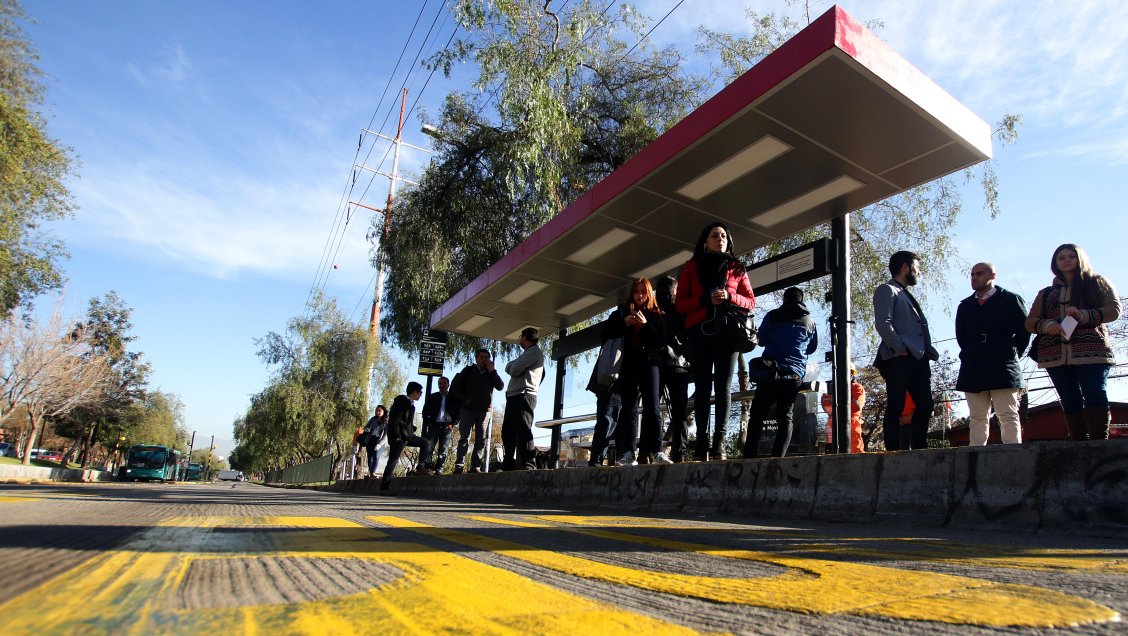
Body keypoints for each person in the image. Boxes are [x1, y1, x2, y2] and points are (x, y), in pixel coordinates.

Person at [675, 222, 756, 461]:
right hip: (699, 334)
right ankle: (701, 445)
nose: (720, 239)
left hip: (728, 334)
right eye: (714, 235)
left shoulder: (736, 268)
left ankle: (719, 445)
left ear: (728, 241)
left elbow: (751, 301)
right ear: (705, 241)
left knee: (723, 388)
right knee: (702, 389)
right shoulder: (691, 267)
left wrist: (730, 296)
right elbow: (680, 304)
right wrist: (704, 300)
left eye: (723, 236)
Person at [1025, 243, 1121, 440]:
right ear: (1055, 263)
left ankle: (1099, 440)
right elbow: (1030, 322)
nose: (1066, 260)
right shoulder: (1046, 293)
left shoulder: (1097, 282)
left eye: (1071, 256)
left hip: (1092, 350)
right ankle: (1078, 441)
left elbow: (1114, 310)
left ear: (1080, 258)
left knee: (1094, 391)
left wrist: (1083, 315)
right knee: (1069, 397)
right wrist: (1046, 325)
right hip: (1054, 354)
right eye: (1061, 257)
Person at [955, 262, 1030, 446]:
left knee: (1007, 414)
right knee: (977, 416)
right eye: (972, 274)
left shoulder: (1011, 299)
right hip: (973, 366)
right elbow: (962, 337)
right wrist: (972, 353)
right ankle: (975, 455)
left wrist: (1010, 354)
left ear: (992, 276)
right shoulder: (965, 306)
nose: (974, 277)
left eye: (979, 273)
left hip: (1003, 365)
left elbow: (1024, 332)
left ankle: (1013, 454)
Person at [873, 250, 937, 451]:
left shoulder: (905, 293)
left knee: (925, 404)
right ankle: (892, 451)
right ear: (905, 267)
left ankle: (919, 448)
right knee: (896, 405)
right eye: (916, 268)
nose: (918, 272)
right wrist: (899, 348)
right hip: (898, 358)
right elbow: (883, 323)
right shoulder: (887, 290)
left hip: (918, 358)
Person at [743, 287, 817, 458]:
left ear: (785, 299)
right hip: (794, 375)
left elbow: (760, 340)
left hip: (771, 373)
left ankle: (749, 456)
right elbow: (812, 348)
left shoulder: (773, 316)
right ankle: (778, 458)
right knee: (785, 417)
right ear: (801, 300)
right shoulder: (810, 321)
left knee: (757, 414)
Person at [604, 278, 671, 466]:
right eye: (636, 291)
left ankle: (657, 451)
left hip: (650, 364)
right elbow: (605, 336)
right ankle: (628, 453)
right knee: (629, 408)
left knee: (652, 407)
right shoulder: (621, 313)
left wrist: (645, 325)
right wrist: (624, 323)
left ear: (649, 294)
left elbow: (661, 343)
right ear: (631, 294)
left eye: (643, 291)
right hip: (628, 364)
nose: (640, 295)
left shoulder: (657, 314)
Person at [450, 348, 505, 473]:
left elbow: (500, 386)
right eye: (481, 357)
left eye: (486, 357)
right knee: (464, 438)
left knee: (481, 440)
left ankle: (475, 466)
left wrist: (492, 371)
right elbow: (455, 387)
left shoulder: (491, 373)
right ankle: (459, 465)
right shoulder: (468, 370)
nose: (484, 359)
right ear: (476, 358)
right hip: (467, 410)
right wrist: (466, 399)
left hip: (484, 412)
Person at [655, 276, 691, 462]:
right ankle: (680, 452)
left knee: (653, 409)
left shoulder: (655, 313)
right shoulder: (683, 310)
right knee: (679, 411)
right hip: (680, 365)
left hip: (659, 364)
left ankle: (652, 450)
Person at [502, 327, 545, 470]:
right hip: (513, 396)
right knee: (507, 431)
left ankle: (529, 465)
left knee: (523, 430)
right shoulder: (526, 354)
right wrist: (516, 366)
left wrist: (515, 366)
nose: (520, 339)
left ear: (525, 337)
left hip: (524, 395)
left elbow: (513, 370)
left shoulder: (534, 352)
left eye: (521, 336)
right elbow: (509, 366)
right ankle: (508, 464)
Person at [380, 383, 433, 490]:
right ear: (415, 392)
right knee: (393, 461)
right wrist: (397, 436)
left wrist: (411, 428)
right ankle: (384, 487)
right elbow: (394, 419)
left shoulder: (410, 404)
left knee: (426, 443)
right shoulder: (402, 401)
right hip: (399, 437)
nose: (421, 394)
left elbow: (404, 421)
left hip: (407, 435)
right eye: (420, 392)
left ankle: (420, 467)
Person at [585, 317, 623, 467]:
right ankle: (597, 459)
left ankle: (598, 458)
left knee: (607, 422)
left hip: (609, 383)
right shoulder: (618, 321)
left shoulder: (614, 329)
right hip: (610, 385)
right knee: (607, 422)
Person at [820, 363, 866, 453]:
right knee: (832, 450)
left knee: (854, 449)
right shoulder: (829, 389)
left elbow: (857, 406)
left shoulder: (857, 387)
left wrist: (837, 405)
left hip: (851, 422)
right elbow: (826, 407)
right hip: (833, 423)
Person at [421, 376, 460, 474]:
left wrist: (453, 423)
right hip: (434, 426)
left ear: (448, 385)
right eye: (440, 383)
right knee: (429, 447)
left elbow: (458, 413)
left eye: (444, 383)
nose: (442, 385)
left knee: (443, 450)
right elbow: (425, 411)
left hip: (447, 427)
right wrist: (427, 422)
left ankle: (439, 469)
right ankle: (426, 468)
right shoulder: (433, 397)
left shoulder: (454, 397)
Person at [363, 405, 388, 478]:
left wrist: (380, 444)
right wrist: (367, 429)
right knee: (370, 457)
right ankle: (371, 473)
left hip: (379, 441)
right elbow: (365, 427)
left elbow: (386, 434)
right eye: (376, 410)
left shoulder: (386, 421)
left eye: (379, 411)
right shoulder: (373, 419)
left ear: (383, 412)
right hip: (370, 439)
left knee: (376, 456)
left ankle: (373, 472)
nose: (378, 412)